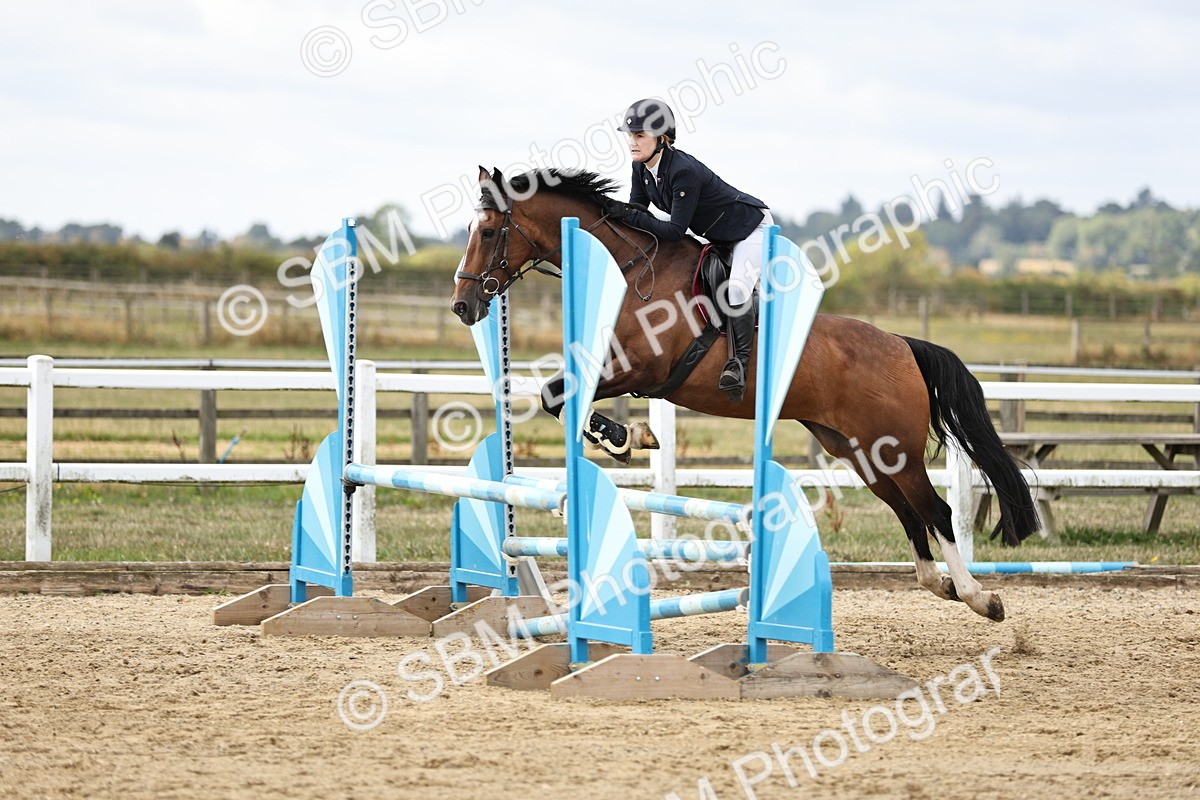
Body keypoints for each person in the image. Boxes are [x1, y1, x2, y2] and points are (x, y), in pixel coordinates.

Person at [601, 98, 772, 401]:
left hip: (750, 230)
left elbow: (675, 230)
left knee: (735, 291)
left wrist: (631, 214)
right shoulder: (640, 168)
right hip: (718, 235)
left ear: (661, 139)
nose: (632, 142)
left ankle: (738, 365)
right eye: (631, 135)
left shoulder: (683, 171)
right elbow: (636, 212)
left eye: (639, 135)